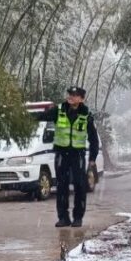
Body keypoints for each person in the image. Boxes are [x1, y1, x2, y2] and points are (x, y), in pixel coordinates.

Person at [36, 86, 100, 228]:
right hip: (61, 154)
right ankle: (63, 217)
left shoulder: (86, 115)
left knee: (79, 186)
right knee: (62, 185)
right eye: (70, 94)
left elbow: (93, 139)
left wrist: (92, 159)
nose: (71, 96)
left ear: (81, 99)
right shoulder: (59, 111)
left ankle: (78, 217)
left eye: (75, 95)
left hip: (77, 155)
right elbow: (41, 116)